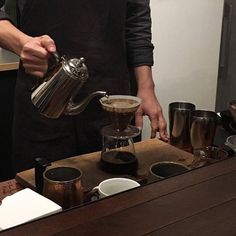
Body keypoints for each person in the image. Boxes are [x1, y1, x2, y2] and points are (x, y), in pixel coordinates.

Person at [0, 0, 168, 174]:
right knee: (41, 192)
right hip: (45, 100)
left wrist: (147, 87)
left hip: (112, 104)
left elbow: (136, 20)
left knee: (117, 191)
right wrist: (21, 43)